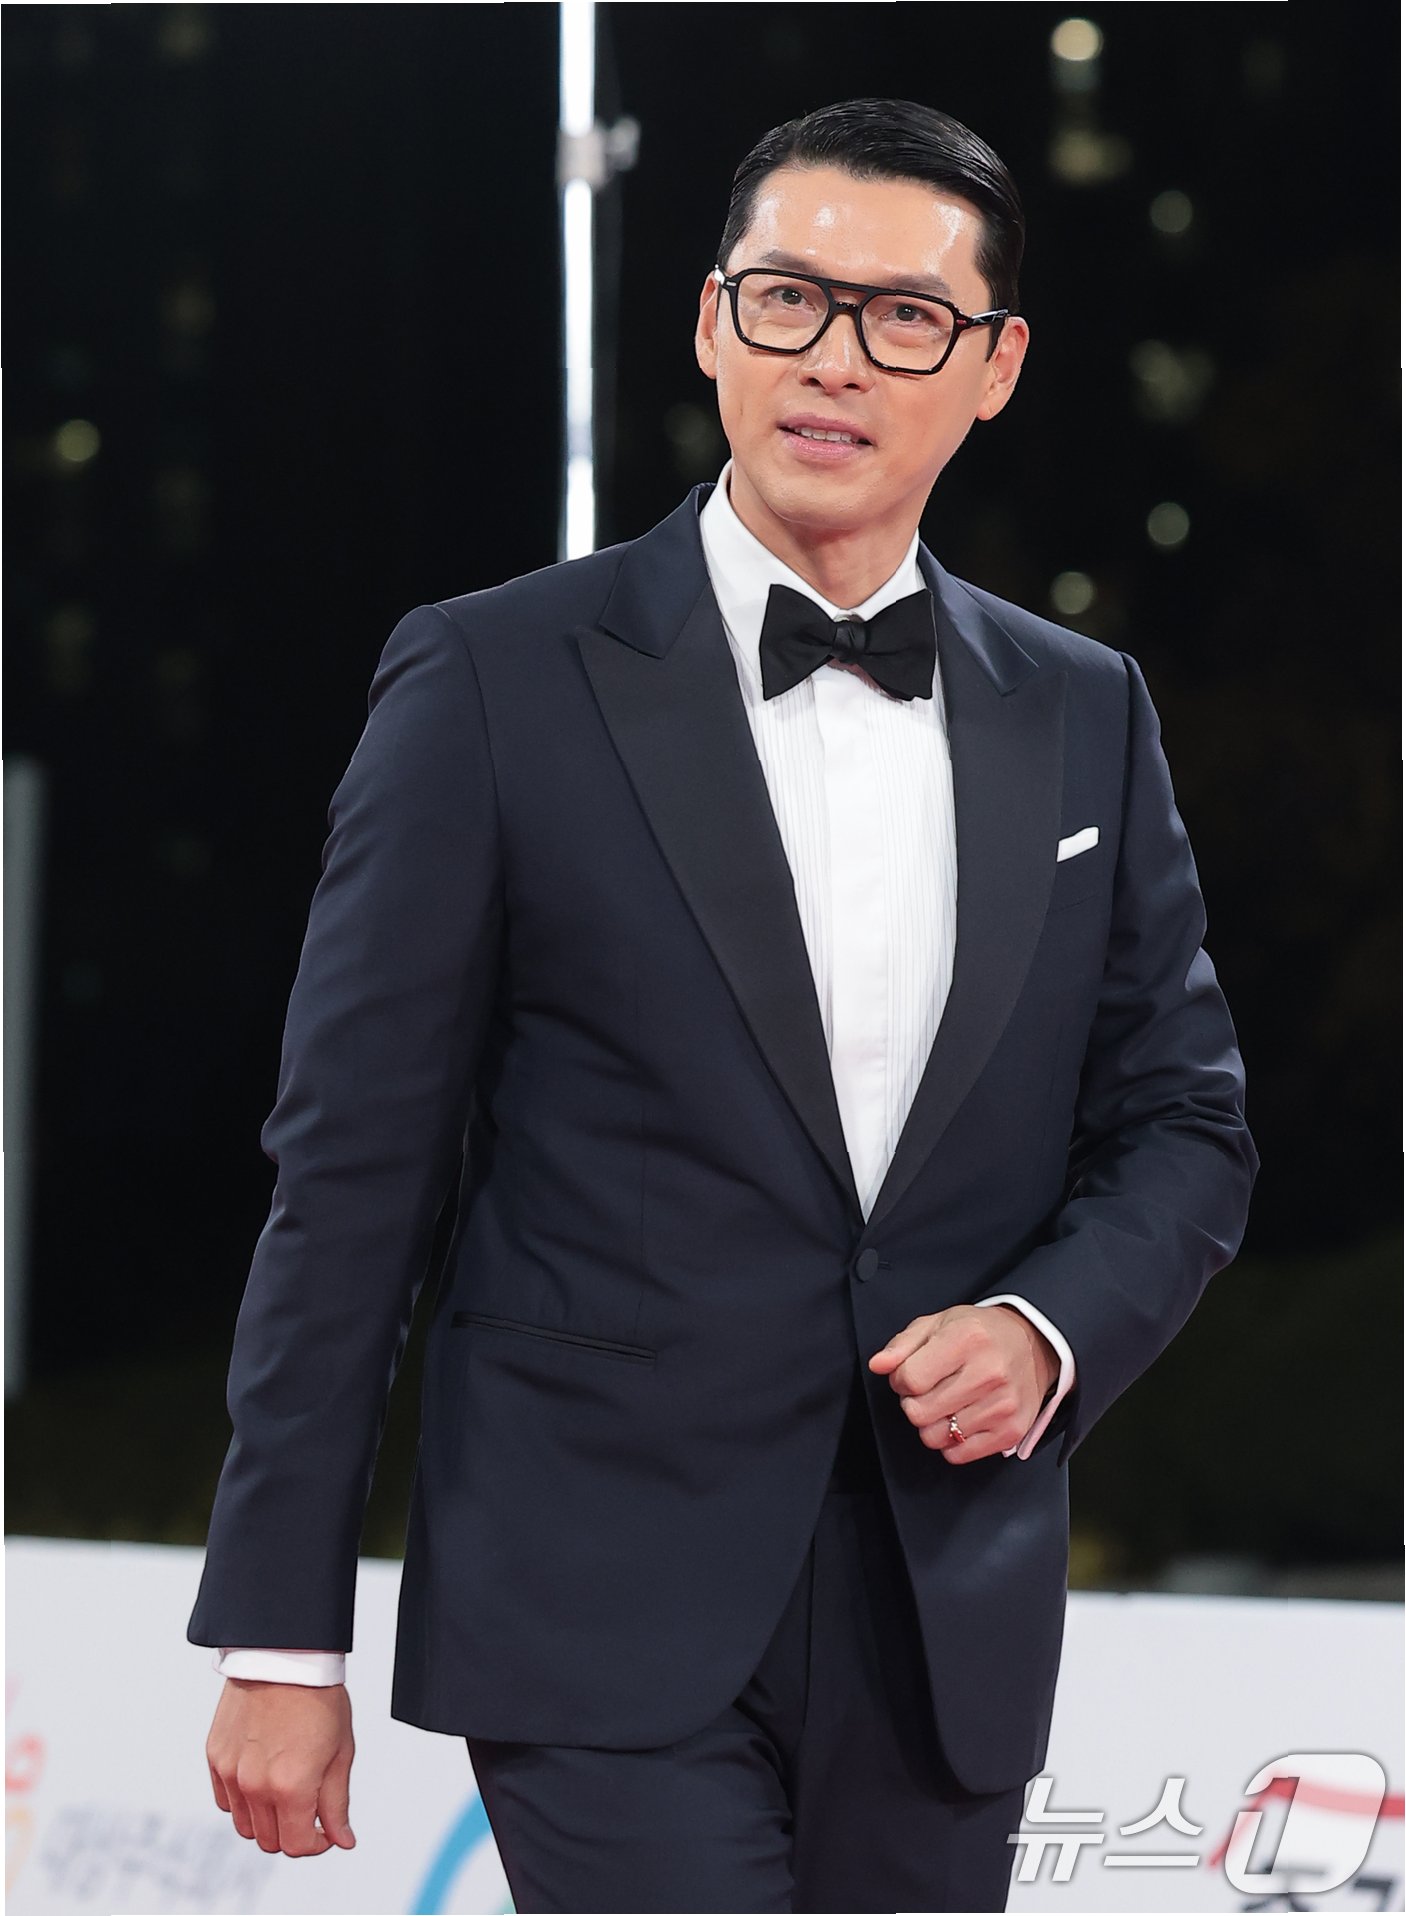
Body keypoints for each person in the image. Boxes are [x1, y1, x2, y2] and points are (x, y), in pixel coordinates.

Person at [190, 97, 1257, 1914]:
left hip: (943, 1610)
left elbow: (1183, 1121)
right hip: (592, 1594)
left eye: (902, 318)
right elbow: (352, 1175)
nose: (832, 360)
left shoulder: (1086, 710)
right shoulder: (493, 677)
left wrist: (1048, 1329)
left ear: (993, 368)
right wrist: (281, 1633)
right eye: (786, 300)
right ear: (709, 323)